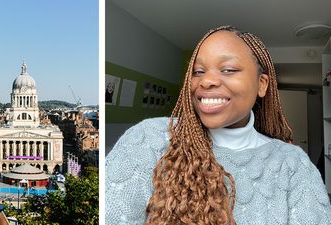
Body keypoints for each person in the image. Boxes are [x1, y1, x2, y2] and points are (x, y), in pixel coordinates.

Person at [106, 25, 331, 225]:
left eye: (228, 70)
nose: (206, 81)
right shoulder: (149, 140)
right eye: (198, 71)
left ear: (262, 85)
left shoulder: (293, 164)